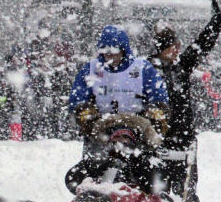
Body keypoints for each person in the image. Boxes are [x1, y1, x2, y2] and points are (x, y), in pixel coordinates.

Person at [148, 0, 221, 202]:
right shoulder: (148, 70)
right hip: (159, 139)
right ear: (160, 48)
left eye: (177, 45)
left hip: (183, 138)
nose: (176, 50)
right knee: (157, 188)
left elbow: (201, 45)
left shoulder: (182, 67)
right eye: (171, 46)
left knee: (187, 187)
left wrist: (215, 23)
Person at [65, 25, 170, 193]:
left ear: (124, 50)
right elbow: (79, 103)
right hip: (102, 134)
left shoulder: (142, 69)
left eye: (114, 52)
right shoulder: (90, 70)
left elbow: (159, 102)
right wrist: (92, 124)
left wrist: (152, 126)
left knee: (155, 179)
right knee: (76, 178)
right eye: (106, 52)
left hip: (138, 133)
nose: (110, 56)